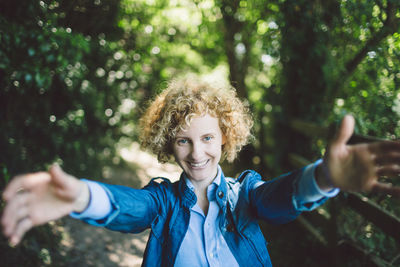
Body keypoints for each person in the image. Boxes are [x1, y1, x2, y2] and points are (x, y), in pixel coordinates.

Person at [2, 78, 400, 267]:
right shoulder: (163, 202)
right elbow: (129, 205)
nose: (197, 154)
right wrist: (81, 196)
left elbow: (279, 200)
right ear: (167, 143)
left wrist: (325, 178)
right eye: (183, 141)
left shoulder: (246, 194)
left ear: (226, 137)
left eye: (208, 138)